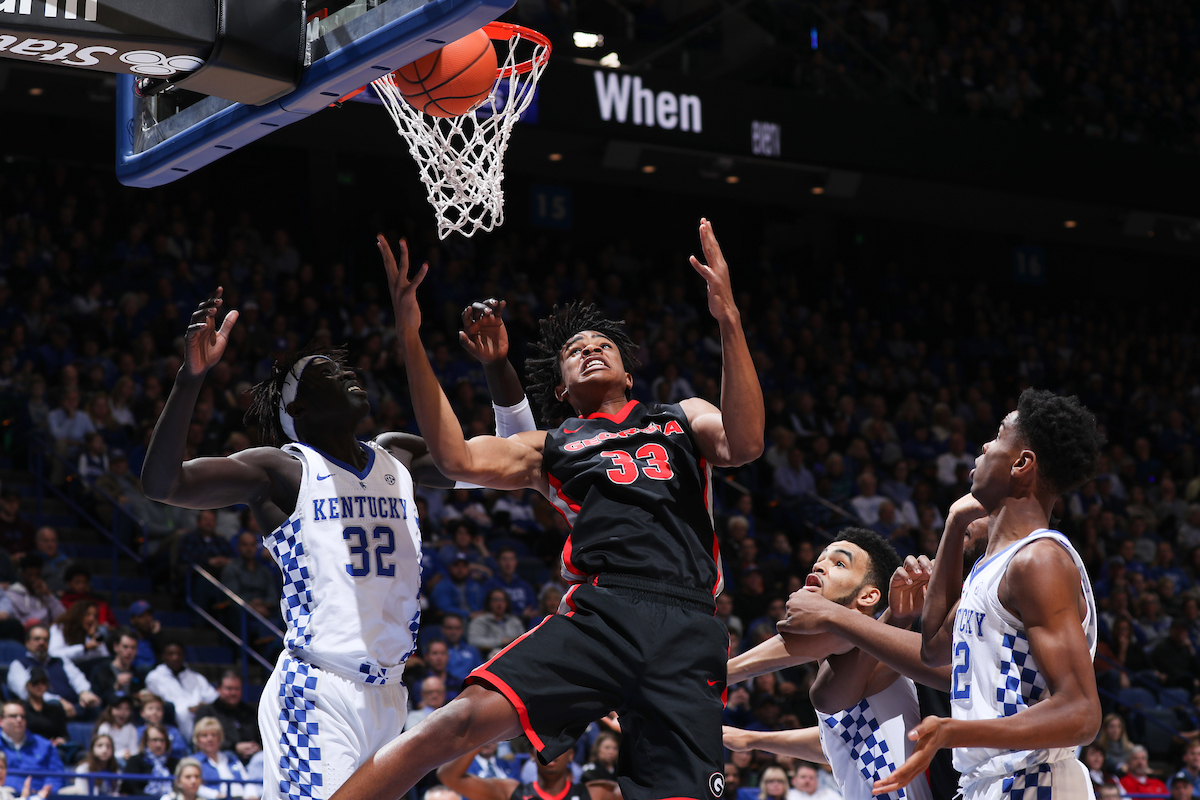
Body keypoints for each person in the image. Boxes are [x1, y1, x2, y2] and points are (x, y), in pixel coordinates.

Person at [332, 219, 763, 800]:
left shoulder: (681, 415)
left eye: (601, 345)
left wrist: (728, 318)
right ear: (559, 389)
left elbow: (746, 442)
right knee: (456, 722)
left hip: (688, 625)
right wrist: (409, 335)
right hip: (603, 612)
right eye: (573, 351)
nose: (589, 351)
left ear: (629, 372)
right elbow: (456, 458)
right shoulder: (551, 445)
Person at [137, 286, 467, 800]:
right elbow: (164, 485)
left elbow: (500, 466)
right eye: (326, 373)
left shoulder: (396, 458)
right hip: (318, 688)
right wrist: (190, 379)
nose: (347, 372)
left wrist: (494, 366)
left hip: (389, 694)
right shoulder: (282, 470)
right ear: (301, 407)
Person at [876, 390, 1104, 798]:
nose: (984, 446)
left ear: (1021, 463)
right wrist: (955, 520)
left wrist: (953, 731)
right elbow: (933, 649)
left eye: (998, 436)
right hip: (991, 780)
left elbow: (1081, 712)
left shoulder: (1039, 561)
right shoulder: (992, 567)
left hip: (1035, 779)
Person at [722, 530, 940, 800]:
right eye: (820, 559)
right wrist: (752, 739)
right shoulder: (852, 669)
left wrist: (718, 676)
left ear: (868, 597)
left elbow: (837, 634)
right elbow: (836, 740)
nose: (819, 565)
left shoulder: (876, 652)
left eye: (839, 563)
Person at [436, 746, 620, 800]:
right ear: (532, 755)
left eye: (558, 744)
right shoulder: (511, 792)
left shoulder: (596, 794)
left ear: (571, 755)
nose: (551, 750)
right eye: (541, 744)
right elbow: (448, 776)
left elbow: (646, 794)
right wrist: (482, 736)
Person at [6, 625, 102, 719]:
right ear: (27, 643)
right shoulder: (18, 665)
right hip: (45, 710)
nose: (41, 642)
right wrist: (58, 700)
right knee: (53, 706)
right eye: (37, 639)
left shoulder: (60, 660)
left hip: (74, 705)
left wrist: (84, 692)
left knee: (95, 703)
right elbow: (26, 693)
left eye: (45, 639)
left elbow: (77, 677)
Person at [144, 643, 218, 740]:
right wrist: (188, 709)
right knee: (182, 712)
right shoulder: (154, 677)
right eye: (171, 654)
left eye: (179, 654)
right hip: (174, 715)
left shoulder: (196, 677)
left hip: (199, 715)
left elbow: (213, 697)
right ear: (163, 656)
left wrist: (202, 706)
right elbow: (157, 702)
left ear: (184, 656)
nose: (175, 658)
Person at [192, 672, 262, 765]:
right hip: (220, 759)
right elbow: (199, 740)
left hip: (253, 759)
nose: (233, 693)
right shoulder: (206, 711)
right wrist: (235, 747)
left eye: (237, 689)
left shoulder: (250, 712)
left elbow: (260, 737)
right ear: (218, 689)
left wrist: (256, 747)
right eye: (229, 689)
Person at [0, 701, 64, 796]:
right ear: (1, 721)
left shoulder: (45, 745)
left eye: (22, 716)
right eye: (13, 716)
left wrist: (45, 791)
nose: (19, 720)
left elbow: (56, 775)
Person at [189, 717, 254, 800]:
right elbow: (191, 786)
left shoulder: (231, 759)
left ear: (220, 738)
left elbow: (247, 781)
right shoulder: (193, 762)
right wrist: (216, 796)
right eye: (204, 735)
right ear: (197, 740)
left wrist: (251, 795)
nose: (210, 739)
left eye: (214, 735)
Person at [3, 555, 66, 631]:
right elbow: (16, 624)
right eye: (30, 575)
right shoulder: (11, 594)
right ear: (23, 574)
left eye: (37, 575)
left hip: (47, 633)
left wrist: (48, 595)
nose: (33, 578)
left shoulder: (45, 594)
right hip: (24, 634)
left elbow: (62, 617)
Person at [49, 599, 111, 672]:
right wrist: (84, 648)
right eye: (87, 614)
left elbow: (105, 657)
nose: (92, 619)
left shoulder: (91, 633)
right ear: (78, 614)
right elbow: (54, 654)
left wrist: (92, 637)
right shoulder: (60, 627)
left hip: (83, 672)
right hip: (63, 670)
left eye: (95, 616)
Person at [90, 628, 146, 708]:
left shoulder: (137, 674)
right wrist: (115, 687)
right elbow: (97, 702)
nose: (129, 651)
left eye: (133, 648)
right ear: (116, 647)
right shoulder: (101, 671)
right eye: (125, 647)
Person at [123, 723, 180, 797]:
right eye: (154, 740)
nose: (159, 744)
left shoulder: (174, 763)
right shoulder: (135, 761)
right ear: (146, 741)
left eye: (162, 740)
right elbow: (131, 789)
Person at [467, 589, 526, 659]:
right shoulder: (479, 621)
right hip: (488, 658)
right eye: (495, 600)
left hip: (515, 656)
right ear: (489, 602)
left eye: (502, 600)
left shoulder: (514, 621)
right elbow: (473, 641)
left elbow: (525, 641)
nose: (499, 603)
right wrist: (500, 641)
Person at [20, 669, 67, 748]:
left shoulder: (55, 709)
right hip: (29, 748)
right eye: (35, 682)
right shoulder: (22, 709)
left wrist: (60, 740)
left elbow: (64, 735)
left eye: (43, 682)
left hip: (53, 748)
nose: (39, 685)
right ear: (28, 685)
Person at [137, 694, 189, 759]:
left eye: (158, 709)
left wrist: (165, 747)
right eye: (150, 709)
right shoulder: (137, 732)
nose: (154, 712)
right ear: (142, 713)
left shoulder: (172, 730)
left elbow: (183, 748)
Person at [440, 614, 483, 684]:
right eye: (449, 628)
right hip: (447, 689)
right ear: (442, 629)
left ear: (462, 630)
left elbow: (480, 673)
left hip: (469, 688)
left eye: (457, 628)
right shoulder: (438, 650)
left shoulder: (472, 650)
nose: (453, 632)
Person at [96, 696, 140, 762]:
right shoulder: (105, 727)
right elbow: (102, 751)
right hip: (109, 761)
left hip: (128, 761)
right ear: (110, 709)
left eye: (127, 709)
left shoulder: (131, 728)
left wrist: (130, 755)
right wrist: (121, 754)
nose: (123, 712)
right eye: (119, 708)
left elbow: (134, 751)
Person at [128, 600, 167, 671]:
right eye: (141, 616)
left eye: (149, 615)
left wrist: (157, 635)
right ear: (132, 620)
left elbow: (164, 658)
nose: (147, 619)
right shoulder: (127, 638)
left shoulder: (156, 637)